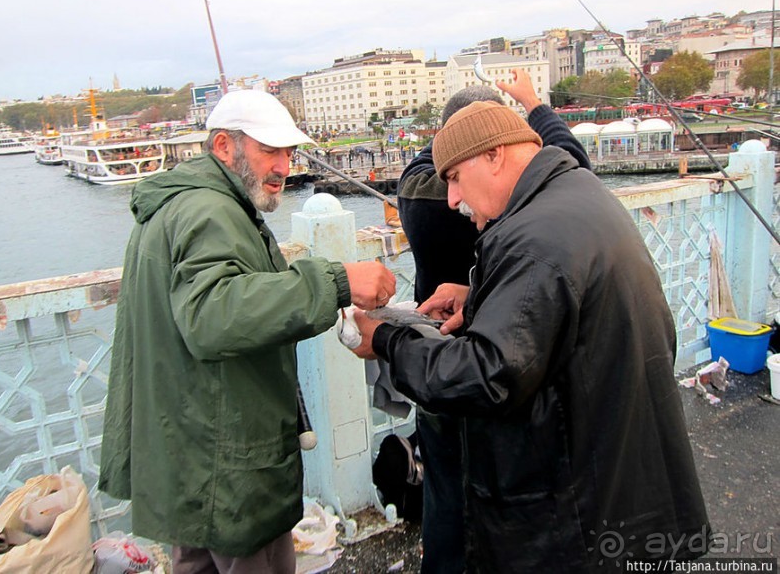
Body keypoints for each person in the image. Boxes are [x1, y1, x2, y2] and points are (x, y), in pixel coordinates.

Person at [353, 101, 710, 572]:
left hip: (580, 510)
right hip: (626, 467)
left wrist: (385, 340)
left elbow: (485, 377)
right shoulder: (576, 191)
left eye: (457, 176)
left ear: (495, 155)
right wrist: (479, 294)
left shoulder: (534, 239)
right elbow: (560, 305)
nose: (454, 198)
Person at [99, 89, 396, 574]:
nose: (284, 165)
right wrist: (338, 280)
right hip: (223, 461)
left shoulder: (184, 203)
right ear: (223, 147)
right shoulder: (208, 212)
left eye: (288, 152)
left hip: (188, 453)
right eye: (270, 151)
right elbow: (214, 315)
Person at [396, 71, 591, 574]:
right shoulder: (545, 203)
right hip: (513, 376)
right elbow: (570, 157)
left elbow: (424, 167)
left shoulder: (419, 195)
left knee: (446, 495)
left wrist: (444, 140)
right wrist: (532, 105)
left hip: (450, 366)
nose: (458, 198)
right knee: (501, 503)